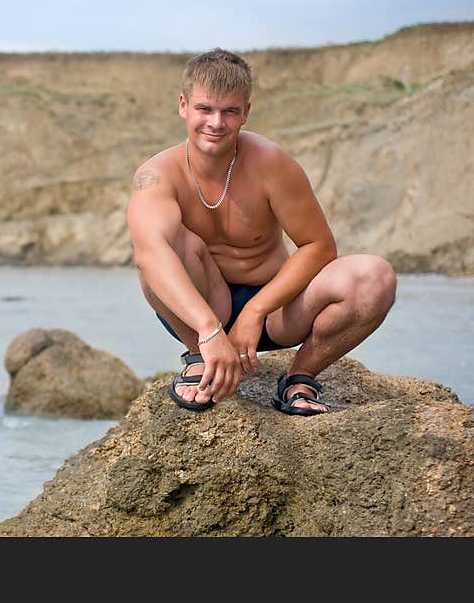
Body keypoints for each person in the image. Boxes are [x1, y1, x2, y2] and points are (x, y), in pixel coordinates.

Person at [126, 49, 397, 416]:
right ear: (183, 106)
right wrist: (208, 331)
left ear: (246, 112)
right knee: (165, 248)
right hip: (203, 309)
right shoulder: (156, 174)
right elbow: (150, 254)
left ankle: (299, 379)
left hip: (276, 311)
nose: (216, 123)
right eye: (205, 109)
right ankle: (198, 359)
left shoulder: (272, 163)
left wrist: (255, 311)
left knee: (375, 277)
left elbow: (318, 246)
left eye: (230, 111)